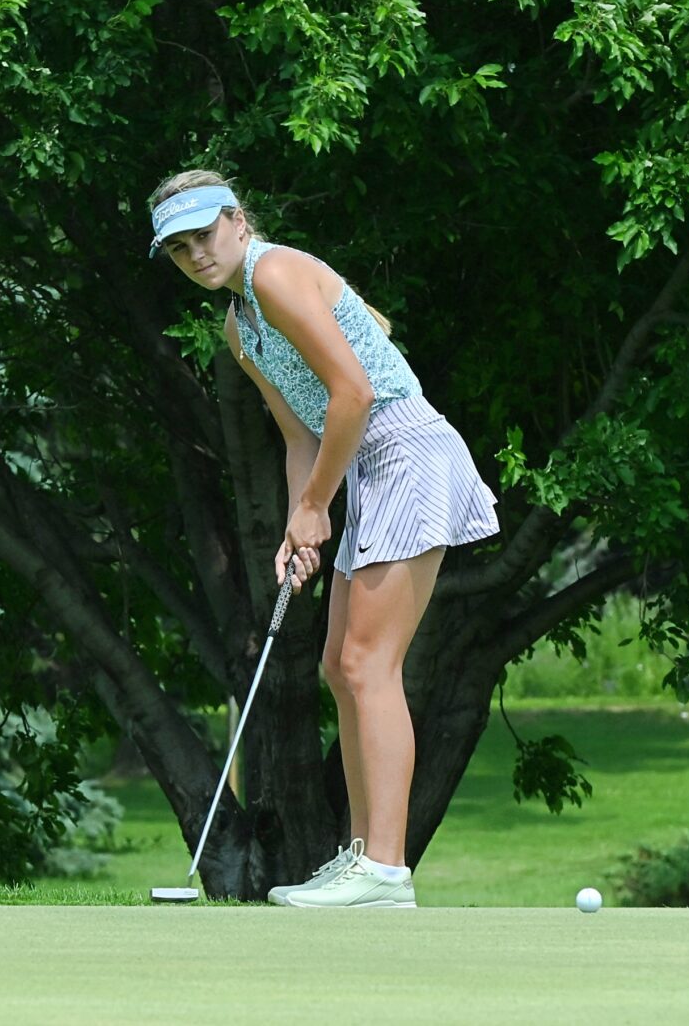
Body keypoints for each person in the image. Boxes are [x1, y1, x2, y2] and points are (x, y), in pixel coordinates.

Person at [149, 170, 499, 908]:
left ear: (238, 220)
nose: (196, 256)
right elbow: (299, 430)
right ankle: (366, 858)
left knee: (369, 661)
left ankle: (386, 871)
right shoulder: (240, 325)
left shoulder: (273, 271)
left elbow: (356, 394)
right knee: (343, 667)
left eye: (203, 235)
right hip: (365, 467)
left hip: (405, 453)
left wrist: (316, 506)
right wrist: (298, 521)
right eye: (178, 249)